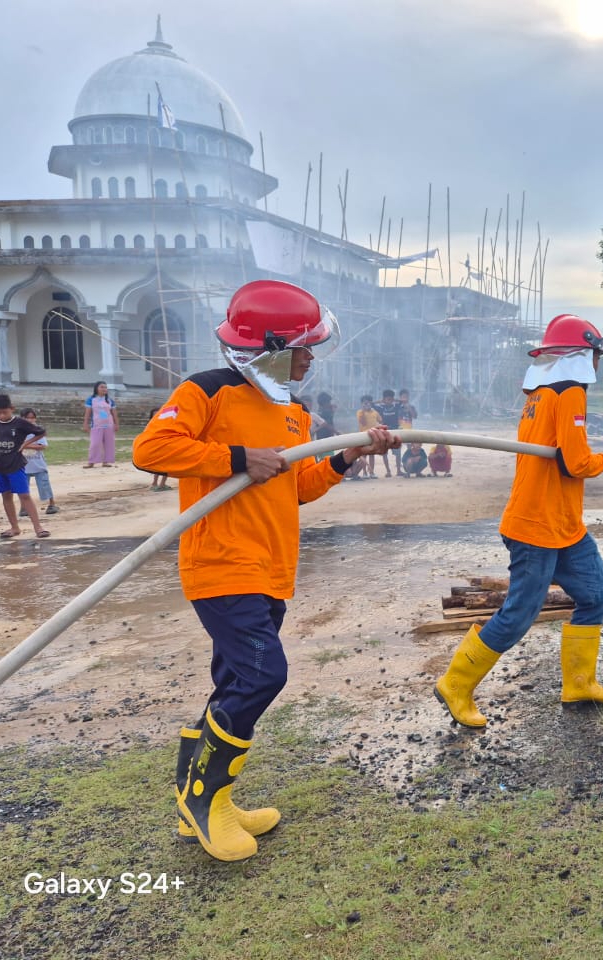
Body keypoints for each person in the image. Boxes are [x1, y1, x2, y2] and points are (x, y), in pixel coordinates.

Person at [132, 279, 398, 863]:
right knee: (260, 676)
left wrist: (347, 457)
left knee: (233, 682)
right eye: (303, 348)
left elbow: (297, 487)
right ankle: (207, 803)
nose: (309, 359)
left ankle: (195, 799)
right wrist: (234, 458)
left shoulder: (292, 410)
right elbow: (150, 450)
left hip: (272, 568)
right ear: (272, 346)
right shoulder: (207, 391)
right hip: (221, 565)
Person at [434, 313, 603, 729]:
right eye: (596, 355)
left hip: (563, 524)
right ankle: (455, 684)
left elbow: (563, 452)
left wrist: (602, 458)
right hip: (536, 526)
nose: (598, 363)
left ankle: (579, 684)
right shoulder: (569, 393)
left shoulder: (541, 393)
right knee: (519, 614)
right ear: (583, 355)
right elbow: (574, 462)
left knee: (596, 596)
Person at [0, 394, 49, 539]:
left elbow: (41, 432)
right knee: (6, 495)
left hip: (15, 463)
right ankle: (14, 527)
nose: (1, 416)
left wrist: (25, 444)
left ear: (12, 409)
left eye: (5, 412)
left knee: (24, 495)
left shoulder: (20, 423)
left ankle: (38, 527)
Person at [18, 409, 59, 514]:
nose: (30, 420)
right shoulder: (18, 431)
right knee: (23, 488)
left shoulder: (38, 430)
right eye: (27, 417)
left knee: (44, 484)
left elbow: (42, 446)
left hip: (38, 464)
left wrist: (25, 445)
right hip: (23, 465)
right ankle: (24, 507)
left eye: (32, 417)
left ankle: (52, 504)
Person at [82, 380, 119, 468]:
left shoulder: (110, 400)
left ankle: (106, 461)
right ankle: (91, 462)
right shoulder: (91, 399)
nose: (104, 389)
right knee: (95, 443)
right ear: (96, 388)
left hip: (109, 425)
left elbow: (114, 413)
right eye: (102, 387)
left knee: (109, 443)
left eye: (105, 387)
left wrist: (116, 424)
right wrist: (85, 424)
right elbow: (87, 413)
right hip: (96, 425)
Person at [372, 388, 402, 477]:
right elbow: (372, 404)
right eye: (387, 399)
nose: (389, 401)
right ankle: (388, 471)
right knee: (385, 453)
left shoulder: (396, 406)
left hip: (395, 433)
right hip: (385, 433)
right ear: (384, 399)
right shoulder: (381, 407)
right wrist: (382, 400)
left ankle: (399, 470)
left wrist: (393, 399)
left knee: (398, 453)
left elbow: (403, 401)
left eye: (391, 399)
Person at [355, 395, 382, 478]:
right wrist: (363, 410)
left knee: (372, 454)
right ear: (362, 403)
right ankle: (364, 473)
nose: (367, 404)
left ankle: (371, 472)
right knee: (364, 455)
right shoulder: (359, 412)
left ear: (371, 403)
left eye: (368, 402)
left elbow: (380, 420)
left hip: (373, 435)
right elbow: (363, 423)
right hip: (363, 436)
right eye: (364, 402)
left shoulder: (375, 412)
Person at [145, 408, 171, 490]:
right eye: (154, 415)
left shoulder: (166, 425)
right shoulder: (152, 426)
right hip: (157, 448)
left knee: (166, 466)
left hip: (165, 447)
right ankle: (156, 483)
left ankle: (161, 483)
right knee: (159, 466)